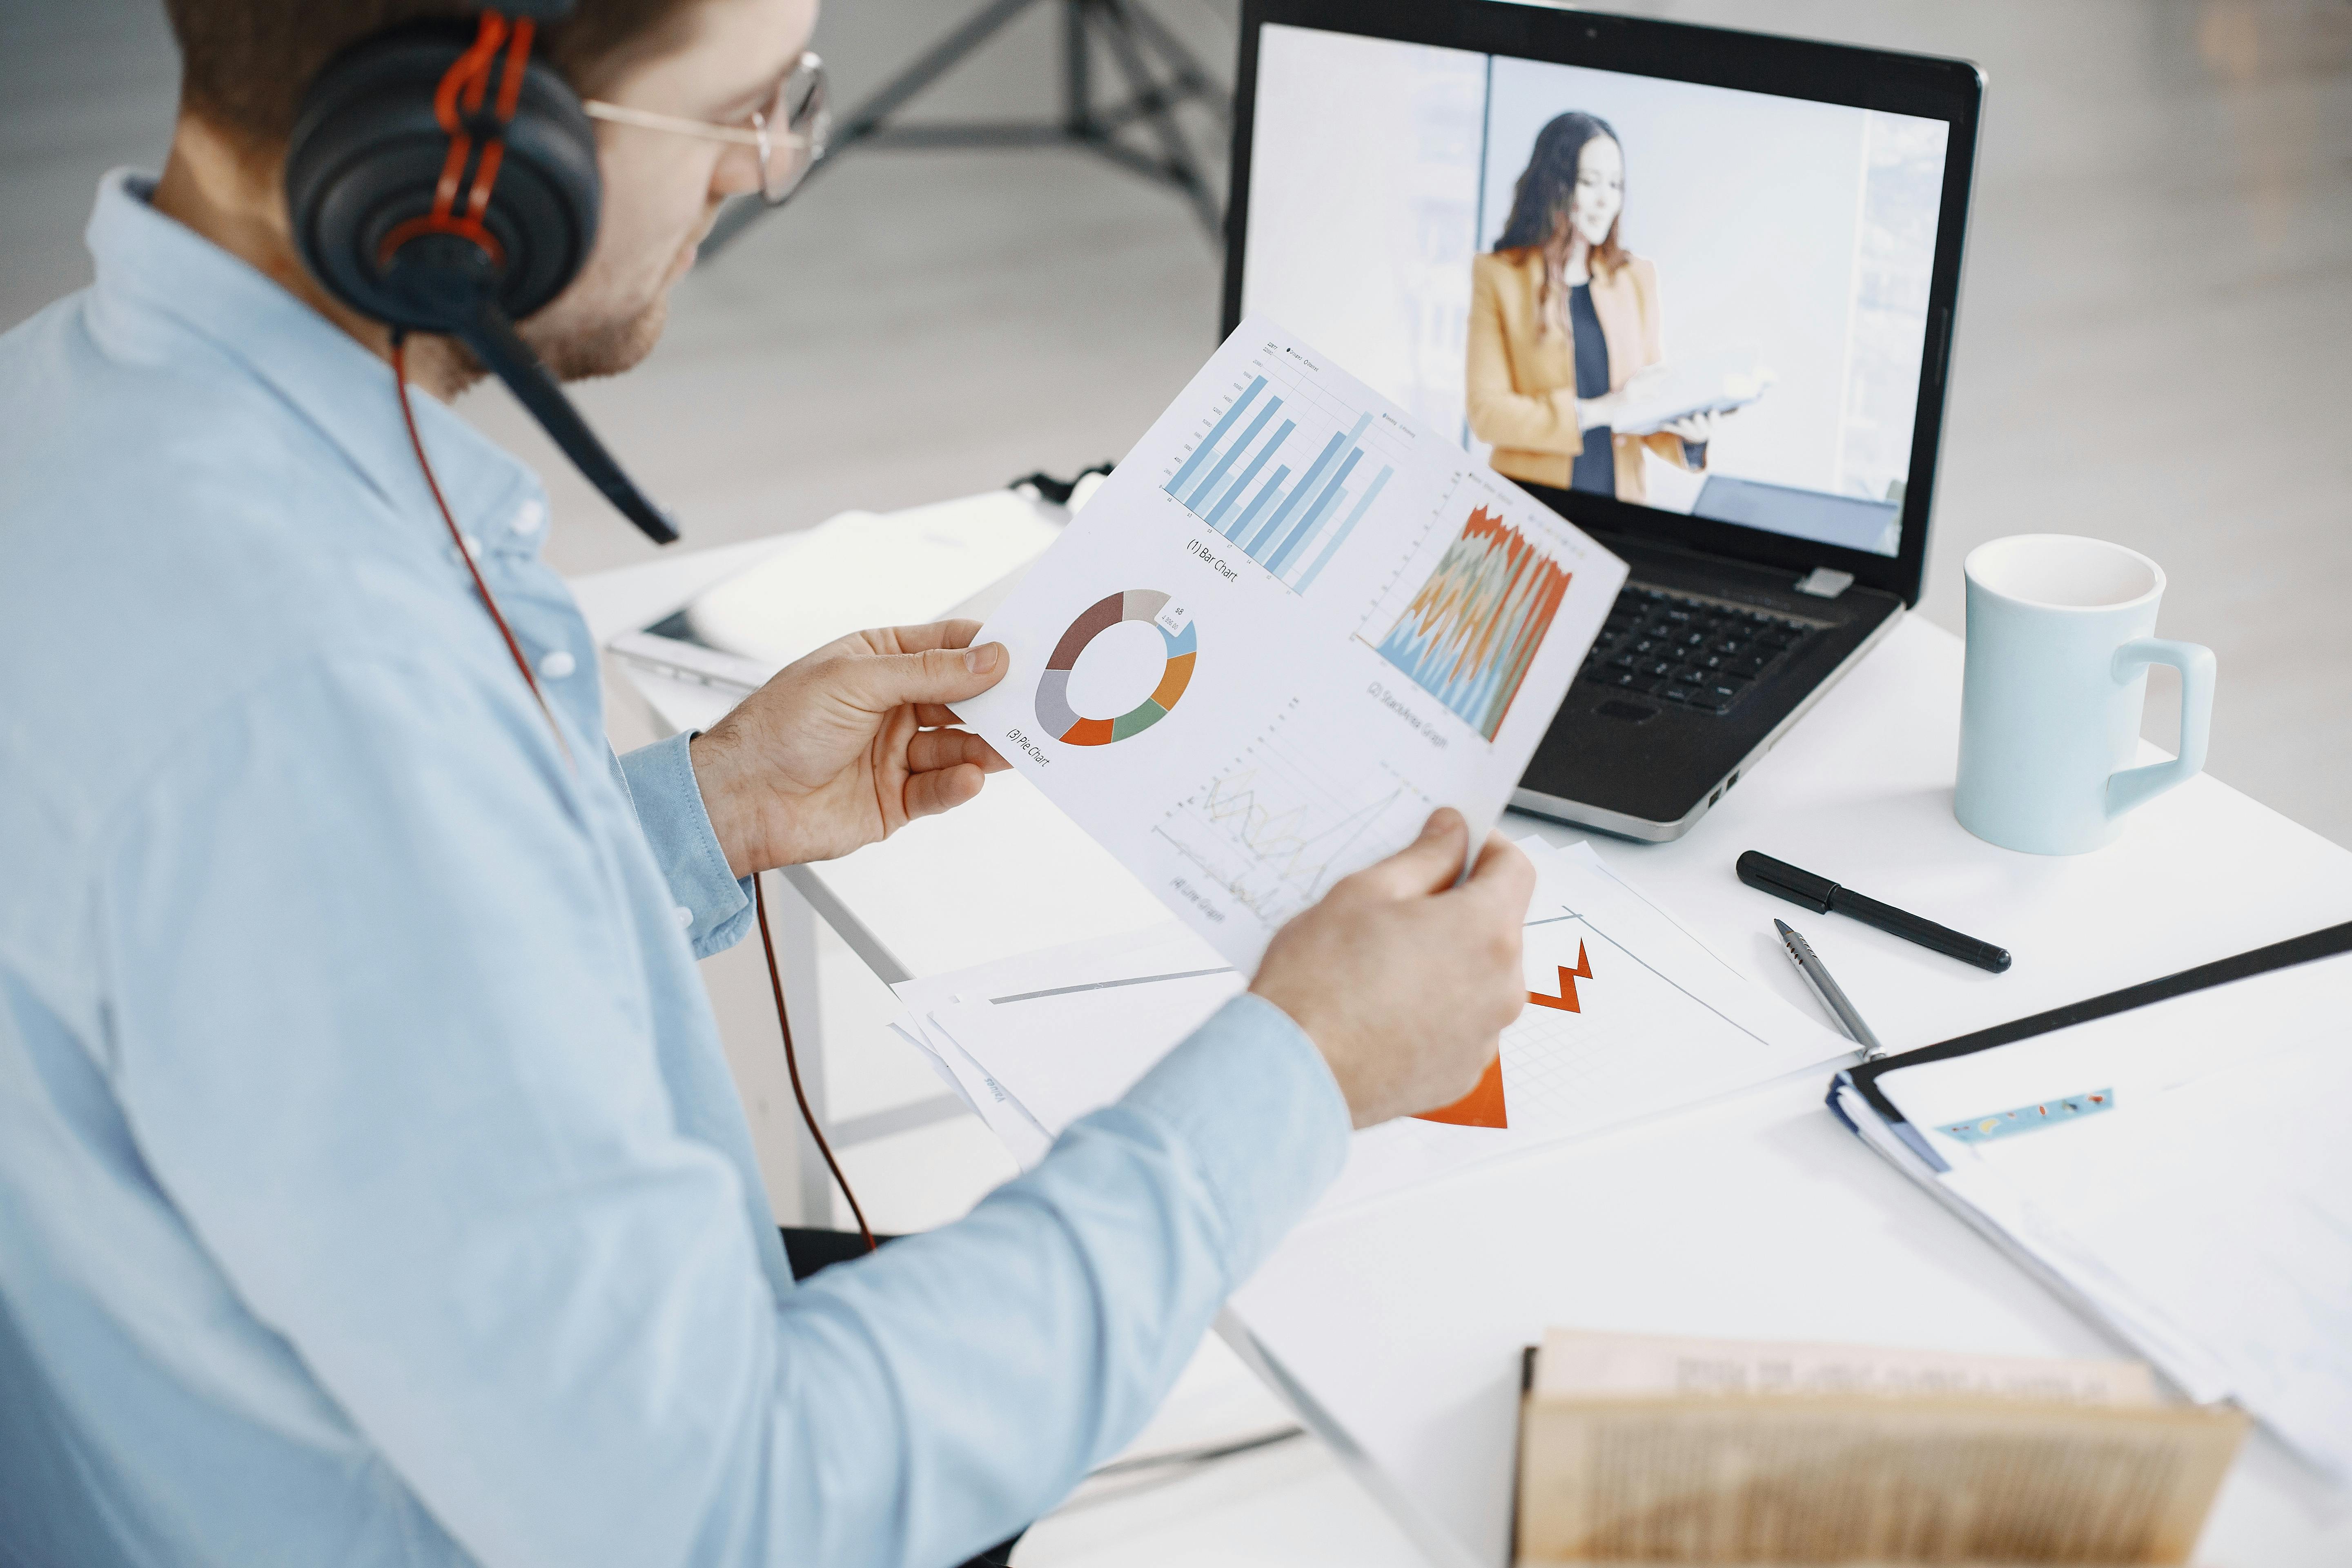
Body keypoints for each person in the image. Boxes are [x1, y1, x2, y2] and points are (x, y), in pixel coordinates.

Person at [0, 2, 1537, 1566]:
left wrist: (702, 808)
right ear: (471, 157)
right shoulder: (327, 711)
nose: (762, 165)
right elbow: (737, 1508)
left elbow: (317, 974)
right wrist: (1305, 1064)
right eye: (737, 109)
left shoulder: (58, 409)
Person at [1466, 110, 1717, 504]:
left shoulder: (1637, 277)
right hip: (1523, 507)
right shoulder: (1498, 276)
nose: (1606, 201)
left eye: (1616, 185)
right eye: (1589, 182)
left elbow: (1647, 403)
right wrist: (1600, 411)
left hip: (1619, 507)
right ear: (1556, 187)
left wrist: (1690, 438)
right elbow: (1487, 414)